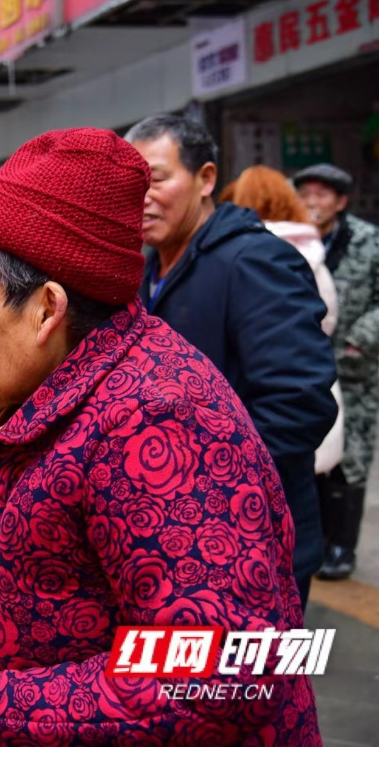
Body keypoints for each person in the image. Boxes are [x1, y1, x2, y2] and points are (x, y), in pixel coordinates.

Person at [0, 127, 320, 746]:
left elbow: (223, 672)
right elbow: (17, 529)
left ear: (46, 309)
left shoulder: (160, 420)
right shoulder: (36, 381)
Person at [126, 115, 337, 608]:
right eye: (133, 185)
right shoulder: (144, 271)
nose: (142, 198)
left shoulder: (254, 260)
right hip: (174, 538)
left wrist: (195, 479)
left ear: (205, 179)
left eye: (156, 179)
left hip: (254, 541)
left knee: (251, 685)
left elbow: (299, 404)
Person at [218, 166, 345, 478]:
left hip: (250, 424)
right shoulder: (309, 248)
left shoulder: (239, 253)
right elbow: (328, 317)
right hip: (311, 393)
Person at [294, 162, 380, 580]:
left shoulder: (368, 240)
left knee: (352, 457)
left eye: (322, 195)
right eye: (306, 194)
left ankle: (343, 546)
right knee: (317, 451)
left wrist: (359, 340)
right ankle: (321, 538)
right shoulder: (297, 238)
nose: (312, 202)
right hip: (310, 366)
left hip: (354, 367)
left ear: (341, 202)